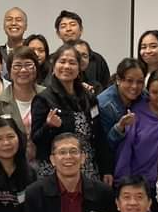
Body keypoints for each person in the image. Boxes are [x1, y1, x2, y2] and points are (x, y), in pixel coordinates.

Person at [31, 45, 112, 182]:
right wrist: (49, 126)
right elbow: (36, 139)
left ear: (79, 68)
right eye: (62, 61)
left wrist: (106, 169)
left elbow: (99, 135)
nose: (67, 66)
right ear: (54, 66)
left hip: (88, 168)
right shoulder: (43, 99)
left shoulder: (89, 97)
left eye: (72, 62)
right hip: (55, 170)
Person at [114, 71, 158, 191]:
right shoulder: (136, 114)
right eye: (155, 92)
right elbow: (125, 153)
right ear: (148, 92)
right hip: (140, 188)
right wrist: (123, 186)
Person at [0, 46, 45, 160]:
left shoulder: (47, 96)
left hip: (46, 163)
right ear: (9, 71)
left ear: (36, 69)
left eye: (28, 65)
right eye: (17, 66)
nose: (23, 70)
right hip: (11, 165)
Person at [97, 58, 146, 155]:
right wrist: (120, 127)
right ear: (118, 80)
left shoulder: (144, 97)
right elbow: (104, 146)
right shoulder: (104, 104)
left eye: (140, 82)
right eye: (129, 81)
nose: (135, 86)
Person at [54, 10, 110, 88]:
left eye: (72, 24)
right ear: (58, 33)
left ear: (81, 30)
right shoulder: (52, 60)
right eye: (63, 26)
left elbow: (106, 88)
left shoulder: (97, 60)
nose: (68, 29)